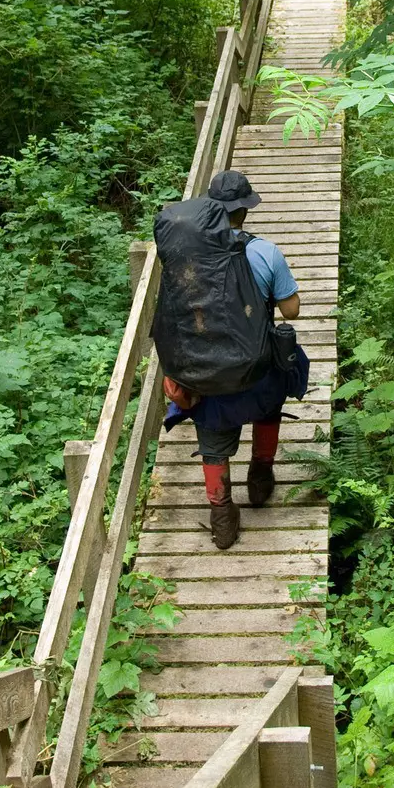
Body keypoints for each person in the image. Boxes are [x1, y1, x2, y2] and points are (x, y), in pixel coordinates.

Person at [162, 167, 306, 551]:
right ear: (246, 208)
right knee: (271, 398)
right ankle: (260, 479)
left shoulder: (185, 255)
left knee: (213, 441)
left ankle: (222, 518)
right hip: (256, 369)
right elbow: (291, 312)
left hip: (206, 372)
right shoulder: (264, 251)